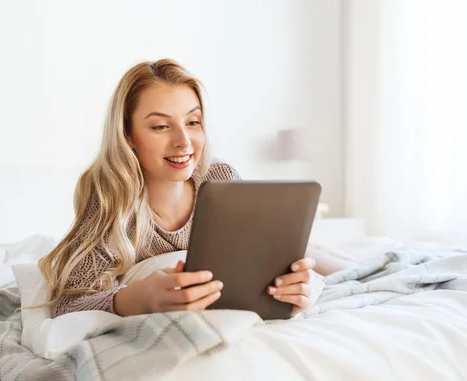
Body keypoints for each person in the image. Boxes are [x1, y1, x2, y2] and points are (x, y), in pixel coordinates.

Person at [39, 58, 353, 318]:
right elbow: (68, 305)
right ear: (128, 135)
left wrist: (290, 291)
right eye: (160, 126)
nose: (184, 141)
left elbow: (260, 263)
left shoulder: (219, 178)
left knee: (325, 258)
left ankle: (361, 268)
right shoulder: (111, 198)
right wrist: (135, 299)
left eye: (193, 122)